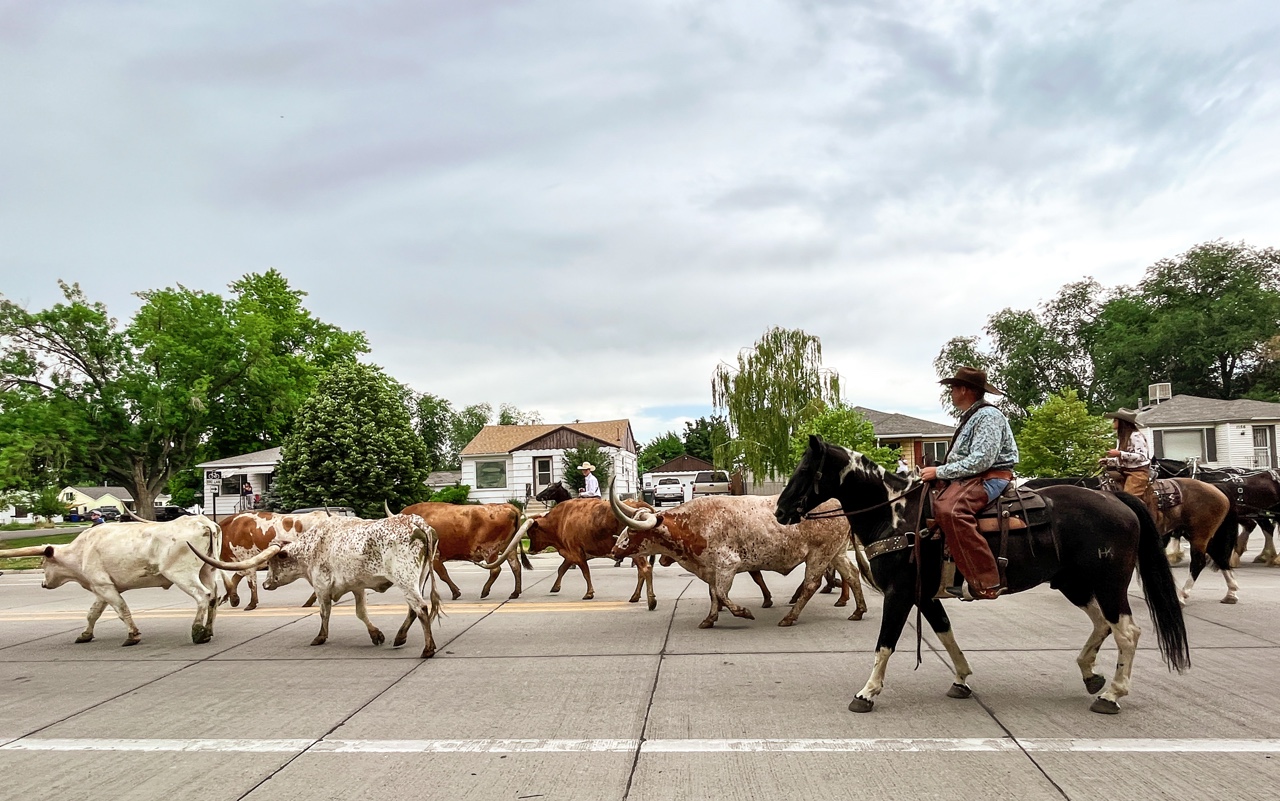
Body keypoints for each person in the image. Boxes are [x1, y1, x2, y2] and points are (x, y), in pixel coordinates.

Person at [920, 366, 1019, 601]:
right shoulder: (973, 416)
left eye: (953, 388)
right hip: (971, 477)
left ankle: (986, 581)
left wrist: (940, 471)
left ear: (964, 390)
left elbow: (982, 460)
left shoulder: (988, 416)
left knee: (951, 510)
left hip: (990, 477)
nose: (951, 392)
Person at [1101, 408, 1154, 514]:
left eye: (1115, 420)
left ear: (1122, 422)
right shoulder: (1122, 438)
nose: (1113, 422)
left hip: (1138, 473)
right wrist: (1108, 461)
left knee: (1128, 500)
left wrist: (1119, 454)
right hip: (1124, 471)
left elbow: (1142, 456)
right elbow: (1124, 460)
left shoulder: (1136, 436)